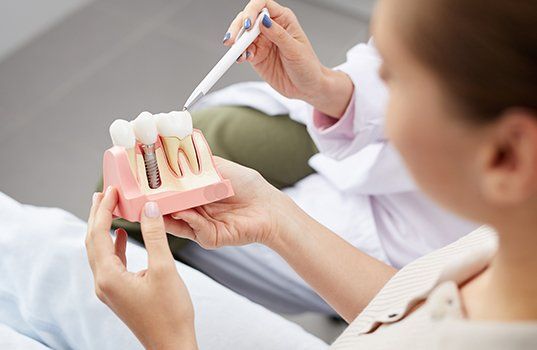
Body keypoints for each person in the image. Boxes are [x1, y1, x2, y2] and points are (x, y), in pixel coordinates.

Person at [84, 0, 537, 348]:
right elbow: (408, 303)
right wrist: (277, 217)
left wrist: (172, 339)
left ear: (504, 156)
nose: (378, 93)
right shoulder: (498, 258)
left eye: (394, 79)